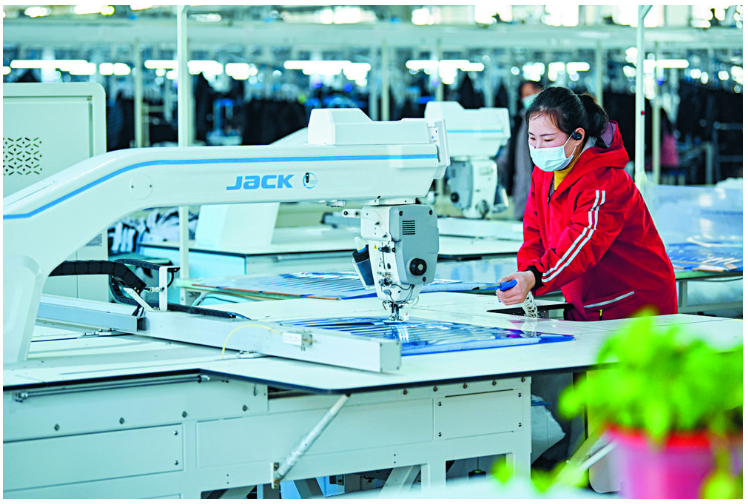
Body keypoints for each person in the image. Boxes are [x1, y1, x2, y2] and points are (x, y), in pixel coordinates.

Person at [497, 86, 677, 321]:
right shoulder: (544, 174)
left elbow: (582, 244)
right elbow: (534, 235)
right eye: (532, 138)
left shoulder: (605, 182)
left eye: (548, 139)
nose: (538, 148)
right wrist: (527, 274)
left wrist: (535, 276)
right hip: (587, 301)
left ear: (577, 136)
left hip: (635, 306)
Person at [497, 80, 543, 221]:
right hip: (521, 189)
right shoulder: (519, 121)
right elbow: (508, 153)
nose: (527, 98)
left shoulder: (548, 122)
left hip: (541, 187)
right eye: (524, 95)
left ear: (540, 92)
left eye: (531, 94)